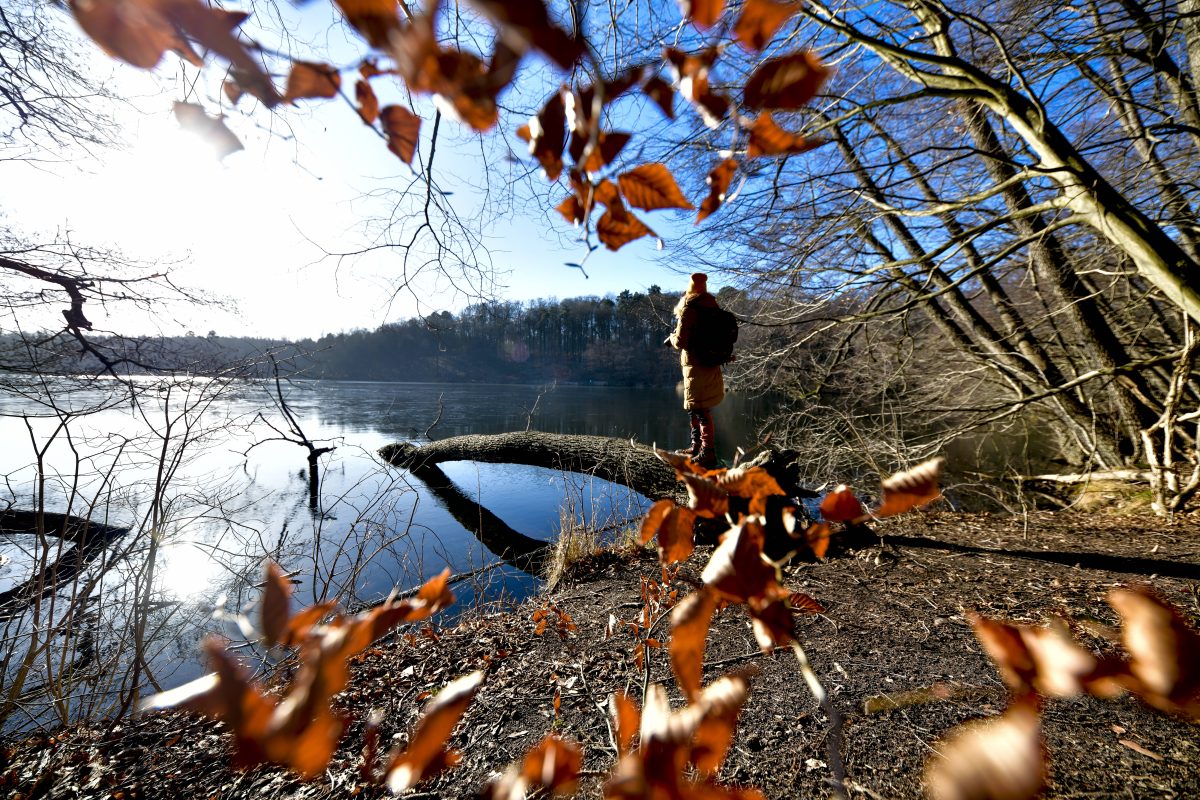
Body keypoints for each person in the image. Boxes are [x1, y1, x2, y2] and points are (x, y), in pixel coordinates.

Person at [665, 272, 725, 469]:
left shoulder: (689, 308)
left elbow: (681, 341)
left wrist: (671, 338)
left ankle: (707, 453)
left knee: (698, 408)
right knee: (697, 406)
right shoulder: (713, 306)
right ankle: (698, 447)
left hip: (695, 365)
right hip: (711, 362)